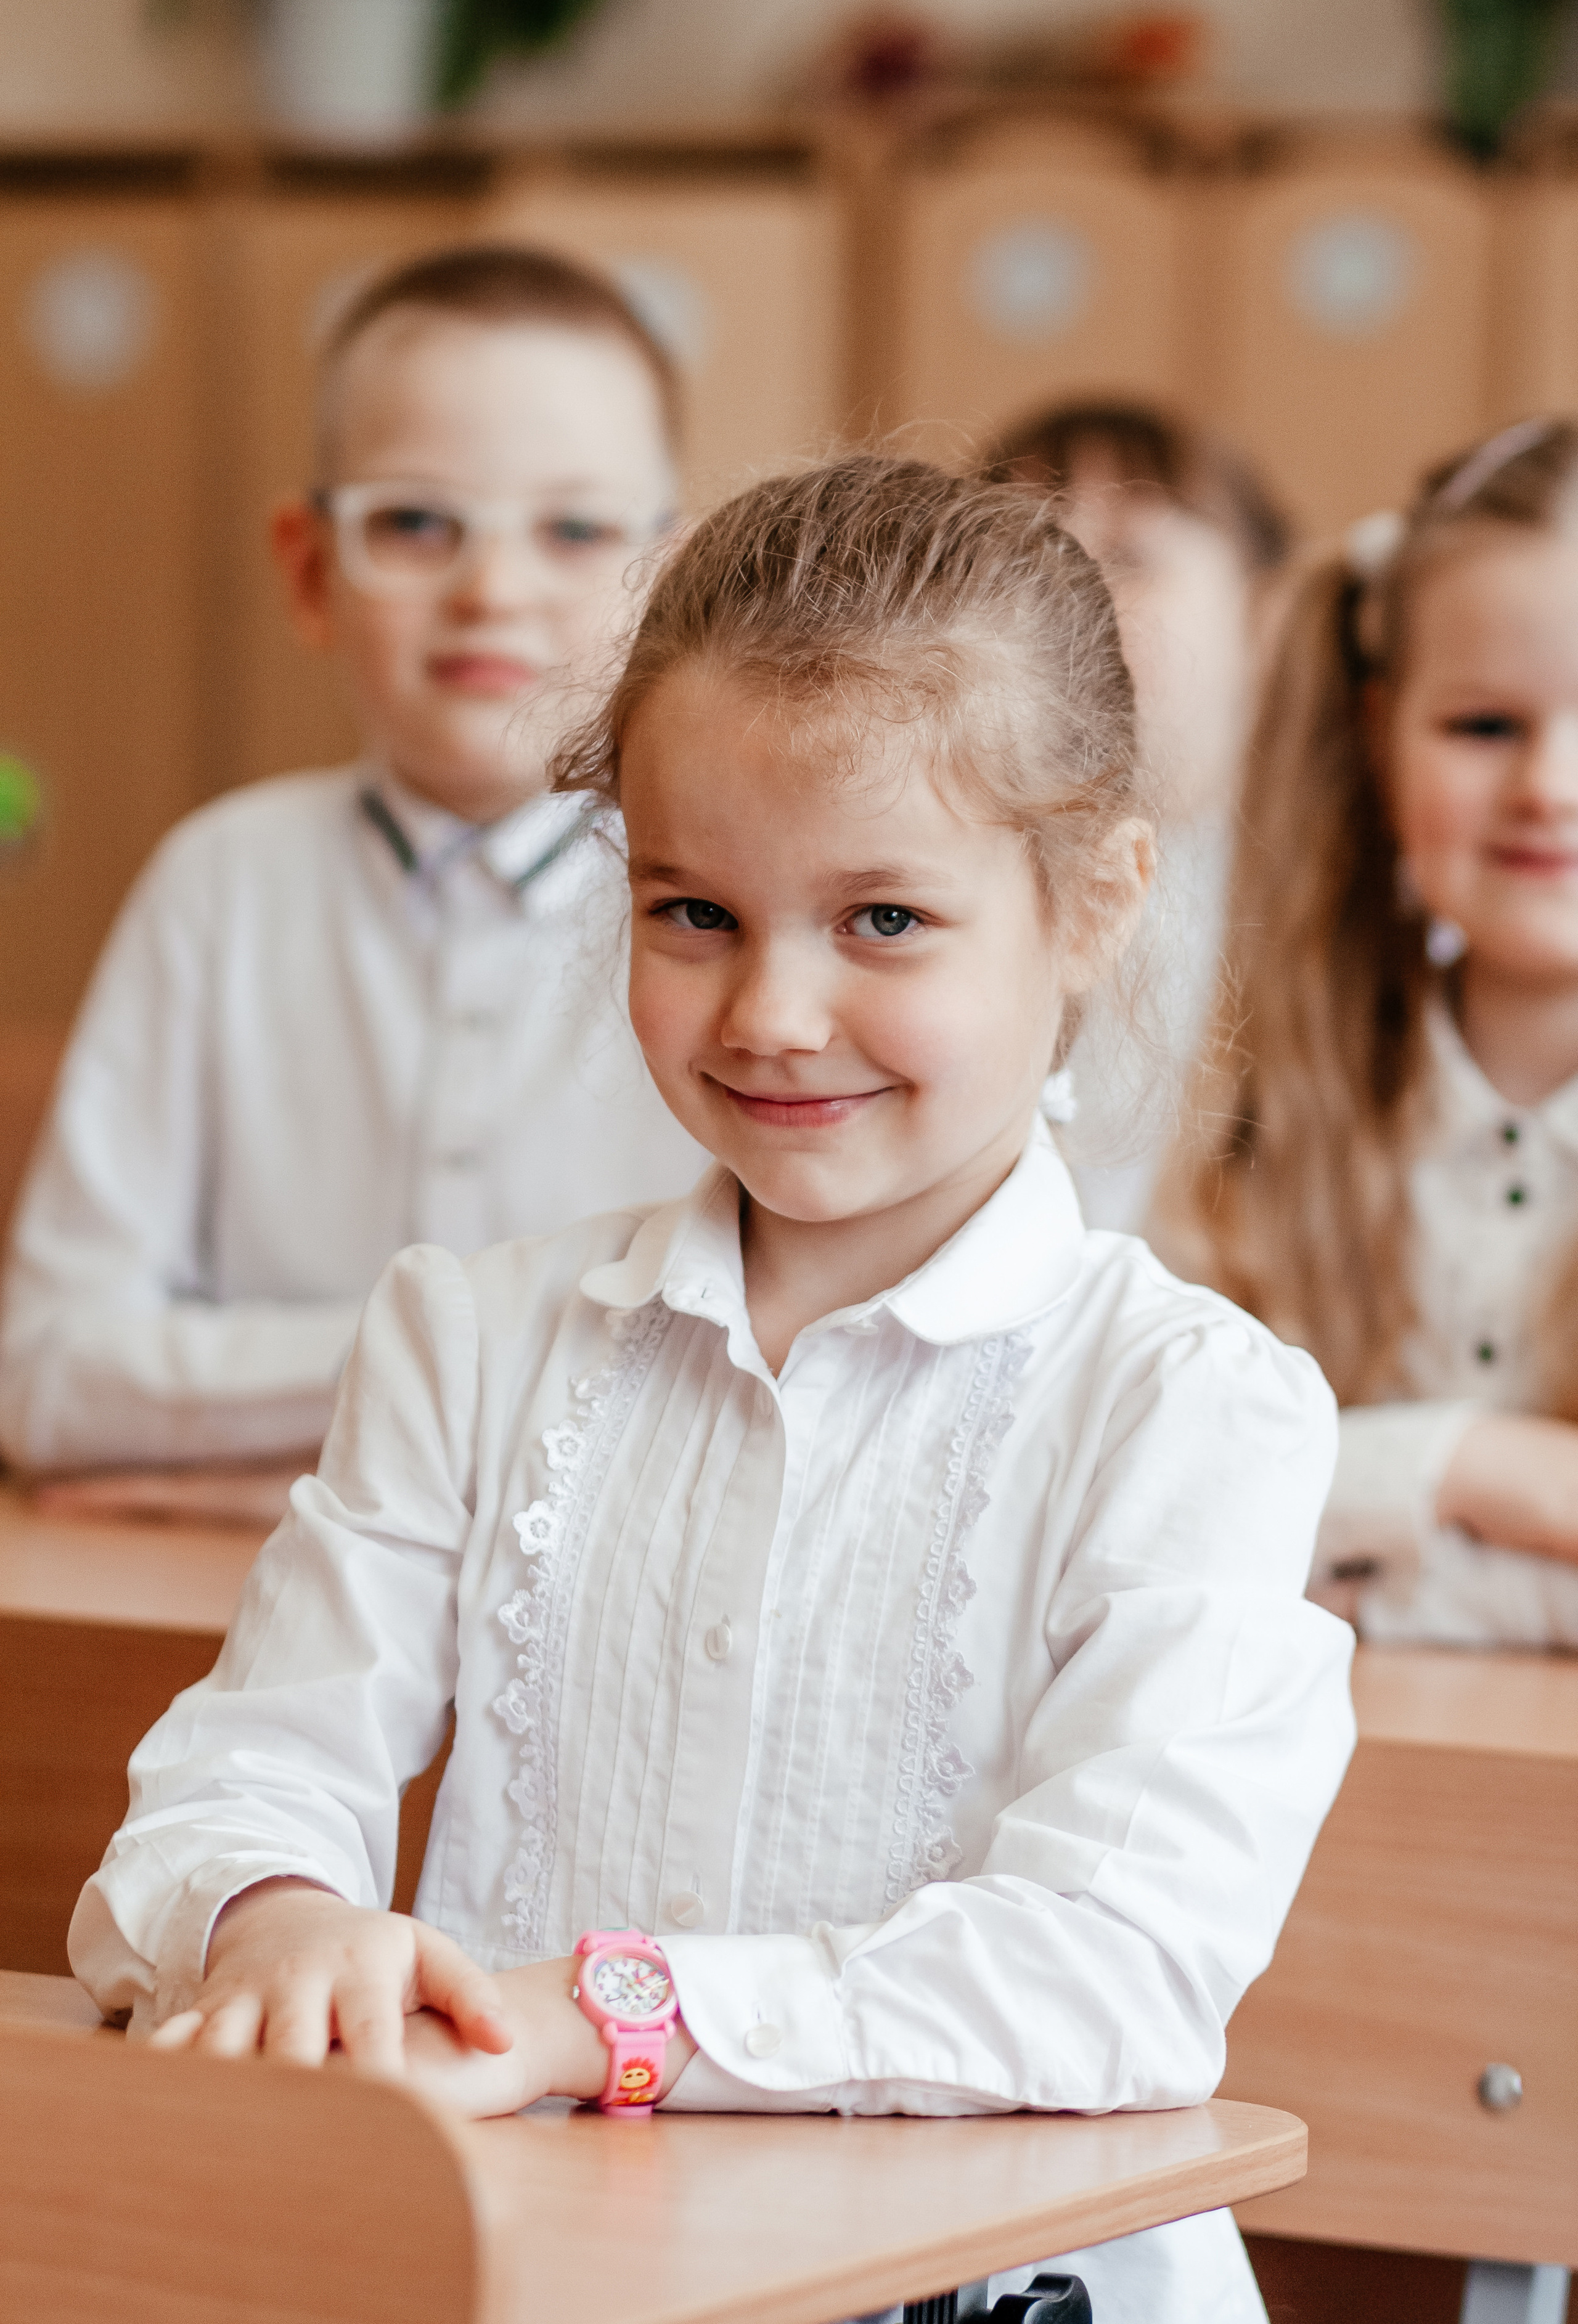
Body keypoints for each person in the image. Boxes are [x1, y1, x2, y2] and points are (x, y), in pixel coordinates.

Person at [72, 457, 1354, 2324]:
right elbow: (237, 1778)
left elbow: (1113, 1969)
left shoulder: (1193, 1412)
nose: (770, 1012)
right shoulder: (473, 1332)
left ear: (1092, 904)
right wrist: (282, 1918)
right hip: (534, 2276)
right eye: (694, 914)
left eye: (884, 923)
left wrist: (592, 2016)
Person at [0, 242, 706, 1508]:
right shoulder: (219, 886)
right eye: (418, 523)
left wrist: (231, 1446)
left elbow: (736, 1397)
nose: (492, 591)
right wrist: (481, 1367)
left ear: (671, 579)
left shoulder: (726, 920)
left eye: (574, 529)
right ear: (309, 569)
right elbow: (46, 1377)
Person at [1152, 417, 1578, 1649]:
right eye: (1482, 727)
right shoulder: (1265, 1126)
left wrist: (1340, 1538)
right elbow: (1152, 1501)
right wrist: (1471, 1468)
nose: (1547, 783)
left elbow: (1249, 1559)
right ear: (1379, 739)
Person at [984, 402, 1291, 1231]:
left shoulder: (1315, 905)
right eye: (1028, 550)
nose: (1071, 584)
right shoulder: (956, 882)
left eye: (1131, 557)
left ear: (1266, 618)